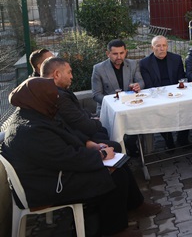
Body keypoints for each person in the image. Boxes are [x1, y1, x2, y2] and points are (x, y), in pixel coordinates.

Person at [1, 78, 161, 237]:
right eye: (53, 96)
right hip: (46, 186)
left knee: (119, 162)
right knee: (113, 175)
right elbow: (67, 158)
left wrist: (89, 144)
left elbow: (65, 133)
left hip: (54, 173)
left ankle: (134, 205)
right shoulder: (29, 130)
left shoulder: (34, 113)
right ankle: (113, 231)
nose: (56, 99)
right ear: (40, 97)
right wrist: (102, 155)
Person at [41, 57, 120, 151]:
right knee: (114, 145)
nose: (71, 76)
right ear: (57, 74)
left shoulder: (54, 91)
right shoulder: (59, 96)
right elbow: (82, 125)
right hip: (72, 141)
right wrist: (98, 122)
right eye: (69, 72)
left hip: (74, 135)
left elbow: (77, 115)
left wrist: (92, 119)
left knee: (103, 132)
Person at [139, 36, 187, 148]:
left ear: (167, 46)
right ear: (152, 48)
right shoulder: (145, 63)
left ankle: (183, 138)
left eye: (164, 45)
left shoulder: (176, 59)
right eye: (158, 46)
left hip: (176, 94)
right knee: (160, 112)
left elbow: (181, 79)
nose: (162, 48)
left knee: (187, 107)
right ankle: (168, 139)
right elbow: (149, 85)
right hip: (158, 96)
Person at [92, 39, 144, 114]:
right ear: (108, 54)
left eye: (122, 53)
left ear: (126, 52)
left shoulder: (133, 64)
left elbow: (141, 81)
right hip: (109, 108)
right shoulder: (99, 69)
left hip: (131, 104)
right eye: (115, 54)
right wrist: (114, 102)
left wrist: (137, 86)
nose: (119, 57)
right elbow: (96, 95)